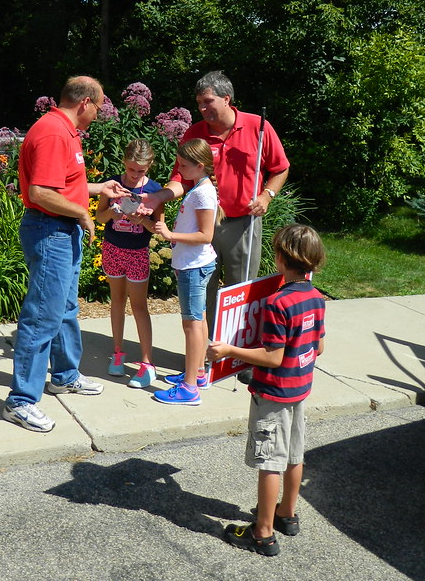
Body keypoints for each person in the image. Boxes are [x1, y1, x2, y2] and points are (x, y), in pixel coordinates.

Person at [3, 76, 132, 433]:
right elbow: (41, 192)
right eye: (100, 105)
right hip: (50, 230)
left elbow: (63, 184)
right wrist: (82, 212)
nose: (101, 112)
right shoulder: (54, 132)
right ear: (85, 103)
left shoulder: (66, 131)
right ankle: (21, 401)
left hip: (61, 229)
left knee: (65, 309)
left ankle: (64, 376)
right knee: (43, 315)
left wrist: (96, 188)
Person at [206, 223, 326, 557]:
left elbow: (272, 357)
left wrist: (229, 352)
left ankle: (262, 532)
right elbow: (318, 348)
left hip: (272, 393)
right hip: (299, 389)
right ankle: (287, 514)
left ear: (282, 259)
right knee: (294, 454)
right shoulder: (316, 298)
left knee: (270, 462)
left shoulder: (277, 303)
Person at [142, 70, 289, 334]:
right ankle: (205, 356)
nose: (202, 108)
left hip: (242, 224)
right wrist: (159, 196)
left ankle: (236, 354)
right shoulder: (195, 133)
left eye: (207, 101)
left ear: (226, 98)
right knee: (202, 290)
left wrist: (268, 195)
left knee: (240, 291)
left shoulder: (258, 127)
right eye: (199, 102)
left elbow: (280, 168)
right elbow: (181, 177)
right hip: (203, 224)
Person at [144, 138, 218, 406]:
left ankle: (189, 389)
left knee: (191, 324)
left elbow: (206, 234)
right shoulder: (199, 187)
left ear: (200, 166)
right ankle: (197, 374)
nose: (180, 170)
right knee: (199, 320)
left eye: (184, 165)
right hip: (193, 264)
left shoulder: (202, 193)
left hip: (193, 266)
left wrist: (169, 234)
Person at [93, 139, 162, 388]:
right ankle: (118, 352)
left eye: (140, 171)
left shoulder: (154, 191)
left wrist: (140, 219)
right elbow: (100, 217)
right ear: (124, 162)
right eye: (131, 169)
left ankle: (146, 363)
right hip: (112, 249)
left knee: (139, 306)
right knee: (117, 301)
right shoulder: (112, 184)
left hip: (137, 253)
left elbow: (157, 228)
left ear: (149, 166)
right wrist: (112, 213)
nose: (134, 175)